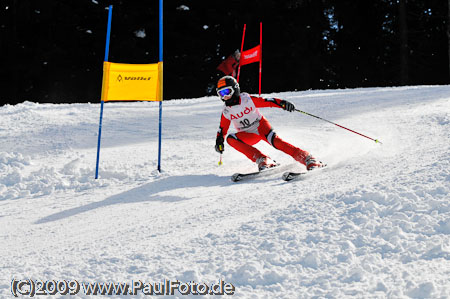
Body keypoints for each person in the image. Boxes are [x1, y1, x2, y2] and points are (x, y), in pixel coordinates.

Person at [214, 75, 324, 171]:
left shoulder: (247, 100)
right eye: (221, 94)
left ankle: (308, 158)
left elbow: (268, 102)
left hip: (261, 126)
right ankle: (263, 159)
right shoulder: (226, 111)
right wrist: (219, 141)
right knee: (231, 139)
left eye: (226, 92)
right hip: (248, 134)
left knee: (277, 143)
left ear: (235, 89)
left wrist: (283, 104)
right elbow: (222, 129)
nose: (225, 96)